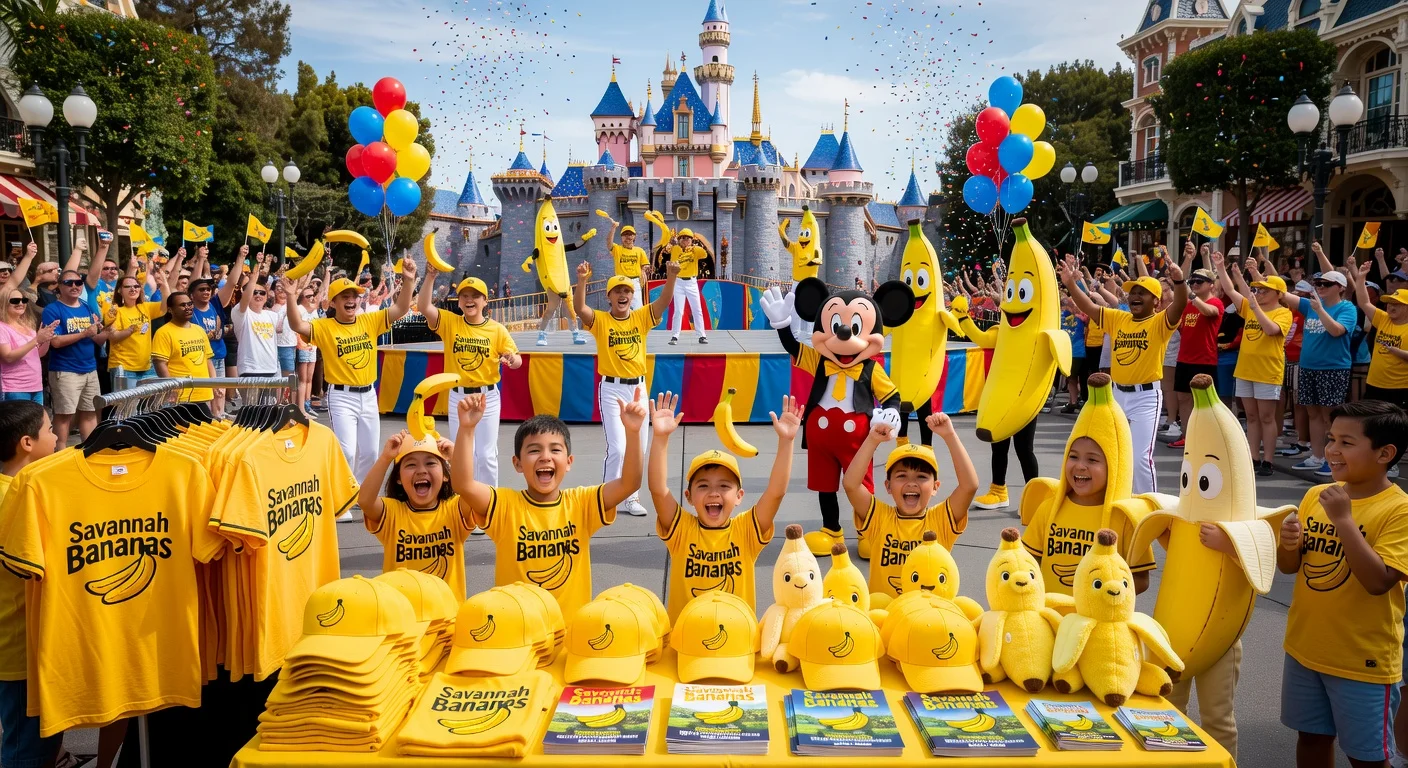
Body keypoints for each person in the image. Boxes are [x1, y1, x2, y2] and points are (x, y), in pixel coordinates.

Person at [1278, 400, 1408, 768]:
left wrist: (1344, 521)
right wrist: (1289, 543)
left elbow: (1379, 581)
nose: (1332, 450)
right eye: (1331, 439)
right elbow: (1290, 567)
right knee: (1312, 739)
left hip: (1361, 660)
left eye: (1347, 443)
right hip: (1306, 648)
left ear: (1385, 453)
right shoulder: (1315, 496)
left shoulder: (1398, 510)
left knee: (1366, 757)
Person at [451, 392, 647, 618]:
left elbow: (630, 482)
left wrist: (633, 433)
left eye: (555, 449)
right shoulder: (505, 505)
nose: (545, 457)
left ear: (569, 462)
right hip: (517, 628)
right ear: (517, 463)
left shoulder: (581, 503)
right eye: (534, 450)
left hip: (570, 631)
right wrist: (466, 429)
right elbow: (463, 484)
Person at [647, 392, 798, 619]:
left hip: (737, 639)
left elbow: (776, 493)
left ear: (739, 496)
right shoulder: (681, 531)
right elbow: (658, 490)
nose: (714, 492)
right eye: (703, 486)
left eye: (724, 486)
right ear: (688, 496)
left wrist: (787, 442)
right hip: (687, 641)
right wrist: (660, 437)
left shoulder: (746, 530)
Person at [283, 261, 416, 515]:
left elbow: (399, 309)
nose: (351, 300)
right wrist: (291, 295)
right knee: (345, 448)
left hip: (368, 394)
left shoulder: (369, 321)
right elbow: (297, 326)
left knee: (369, 451)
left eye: (354, 295)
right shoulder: (324, 327)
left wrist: (408, 280)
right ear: (333, 302)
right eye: (345, 296)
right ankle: (341, 500)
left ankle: (362, 497)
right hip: (341, 396)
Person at [1058, 250, 1190, 494]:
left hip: (1146, 397)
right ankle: (1119, 500)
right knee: (1114, 452)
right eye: (1133, 292)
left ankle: (1148, 508)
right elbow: (1087, 305)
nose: (1135, 296)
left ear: (1156, 302)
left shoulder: (1160, 322)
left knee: (1140, 458)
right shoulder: (1119, 318)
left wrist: (1180, 281)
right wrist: (1071, 284)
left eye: (1142, 293)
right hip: (1117, 395)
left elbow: (1180, 304)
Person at [1021, 373, 1155, 597]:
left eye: (1092, 460)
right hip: (1051, 621)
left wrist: (1105, 593)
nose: (1080, 466)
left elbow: (1141, 579)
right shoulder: (1049, 508)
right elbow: (1028, 562)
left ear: (1115, 466)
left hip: (1098, 624)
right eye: (1073, 456)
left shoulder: (1125, 520)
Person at [574, 259, 680, 516]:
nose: (623, 295)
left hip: (637, 390)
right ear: (609, 296)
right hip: (611, 390)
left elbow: (664, 302)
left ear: (633, 296)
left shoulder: (641, 317)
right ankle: (607, 498)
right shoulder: (600, 320)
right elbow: (579, 308)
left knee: (637, 448)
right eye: (617, 291)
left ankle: (631, 498)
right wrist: (582, 280)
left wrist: (672, 277)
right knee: (618, 448)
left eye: (627, 291)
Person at [844, 410, 977, 602]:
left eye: (922, 477)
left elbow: (969, 486)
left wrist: (950, 435)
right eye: (902, 476)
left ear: (935, 487)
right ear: (888, 486)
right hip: (885, 619)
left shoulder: (941, 520)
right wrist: (872, 440)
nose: (912, 483)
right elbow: (851, 485)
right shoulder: (879, 518)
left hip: (928, 619)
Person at [417, 268, 521, 486]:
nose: (469, 300)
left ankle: (488, 502)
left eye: (475, 296)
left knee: (486, 455)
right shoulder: (450, 323)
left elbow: (517, 359)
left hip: (487, 398)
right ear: (459, 301)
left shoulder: (497, 330)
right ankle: (463, 502)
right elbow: (424, 307)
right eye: (465, 295)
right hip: (459, 397)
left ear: (485, 301)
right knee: (462, 452)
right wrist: (430, 277)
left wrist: (511, 359)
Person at [0, 400, 60, 768]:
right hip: (23, 646)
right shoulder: (22, 496)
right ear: (27, 443)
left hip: (12, 643)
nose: (56, 437)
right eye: (51, 429)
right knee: (27, 749)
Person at [359, 431, 472, 598]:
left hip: (447, 616)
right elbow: (365, 501)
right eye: (411, 465)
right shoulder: (393, 513)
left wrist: (455, 457)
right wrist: (385, 458)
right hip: (402, 616)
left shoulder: (455, 509)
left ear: (446, 476)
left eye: (430, 463)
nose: (421, 471)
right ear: (398, 478)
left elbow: (469, 489)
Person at [1215, 252, 1293, 476]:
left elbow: (1271, 330)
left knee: (1267, 416)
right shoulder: (1251, 306)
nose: (1258, 293)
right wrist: (1223, 268)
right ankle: (1253, 457)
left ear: (1278, 294)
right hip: (1245, 369)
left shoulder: (1283, 312)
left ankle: (1268, 460)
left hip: (1267, 371)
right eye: (1257, 289)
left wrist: (1255, 306)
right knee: (1250, 416)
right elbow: (1231, 290)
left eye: (1264, 290)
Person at [1285, 243, 1358, 478]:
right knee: (1313, 414)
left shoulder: (1347, 308)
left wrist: (1320, 309)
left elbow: (1337, 331)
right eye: (1318, 284)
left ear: (1340, 287)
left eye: (1325, 284)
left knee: (1330, 416)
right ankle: (1317, 456)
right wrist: (1258, 274)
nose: (1320, 287)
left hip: (1332, 368)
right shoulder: (1311, 305)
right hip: (1308, 367)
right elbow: (1282, 294)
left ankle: (1333, 459)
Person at [41, 269, 109, 442]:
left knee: (89, 412)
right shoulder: (52, 309)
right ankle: (60, 453)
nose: (74, 286)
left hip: (90, 368)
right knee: (65, 415)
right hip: (65, 370)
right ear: (59, 286)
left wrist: (108, 329)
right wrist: (84, 333)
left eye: (78, 283)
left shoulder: (86, 306)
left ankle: (89, 449)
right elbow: (55, 342)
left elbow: (95, 338)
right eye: (68, 283)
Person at [1170, 263, 1224, 448]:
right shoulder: (1188, 305)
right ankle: (1188, 436)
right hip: (1184, 358)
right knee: (1183, 399)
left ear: (1211, 285)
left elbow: (1210, 312)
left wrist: (1193, 298)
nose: (1194, 284)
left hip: (1204, 360)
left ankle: (1207, 438)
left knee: (1205, 401)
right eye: (1192, 281)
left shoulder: (1215, 302)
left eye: (1199, 281)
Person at [151, 291, 217, 404]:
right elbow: (160, 363)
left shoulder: (199, 330)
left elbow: (208, 360)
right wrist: (171, 389)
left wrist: (215, 384)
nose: (188, 307)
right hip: (180, 396)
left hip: (204, 393)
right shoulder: (163, 332)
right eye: (182, 305)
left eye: (190, 304)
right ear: (170, 310)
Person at [104, 272, 169, 386]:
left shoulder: (145, 307)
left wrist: (164, 284)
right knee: (127, 404)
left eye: (136, 286)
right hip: (123, 368)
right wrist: (129, 331)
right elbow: (113, 337)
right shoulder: (114, 310)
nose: (133, 289)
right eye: (128, 286)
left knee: (149, 403)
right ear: (120, 290)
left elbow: (167, 305)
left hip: (147, 367)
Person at [231, 253, 282, 379]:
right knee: (250, 401)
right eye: (254, 292)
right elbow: (245, 299)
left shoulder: (271, 315)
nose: (258, 295)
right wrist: (255, 274)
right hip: (250, 370)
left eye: (262, 293)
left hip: (271, 369)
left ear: (266, 297)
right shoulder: (241, 313)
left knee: (272, 400)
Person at [0, 287, 54, 403]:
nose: (21, 304)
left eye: (23, 300)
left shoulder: (27, 326)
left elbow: (38, 354)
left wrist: (47, 337)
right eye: (15, 301)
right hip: (14, 388)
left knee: (37, 421)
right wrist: (36, 340)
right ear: (3, 304)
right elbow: (8, 357)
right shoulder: (2, 327)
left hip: (36, 386)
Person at [668, 228, 709, 345]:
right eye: (683, 238)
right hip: (679, 282)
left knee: (697, 309)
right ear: (679, 239)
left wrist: (694, 248)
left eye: (688, 238)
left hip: (691, 282)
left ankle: (701, 335)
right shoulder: (676, 249)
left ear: (691, 240)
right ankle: (675, 335)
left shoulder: (695, 250)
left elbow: (705, 254)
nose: (685, 240)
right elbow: (674, 263)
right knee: (679, 310)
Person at [602, 215, 648, 310]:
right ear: (622, 237)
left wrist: (643, 270)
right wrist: (613, 228)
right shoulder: (617, 249)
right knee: (619, 307)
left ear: (634, 236)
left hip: (635, 282)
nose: (628, 237)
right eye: (625, 234)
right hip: (621, 281)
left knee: (637, 308)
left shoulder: (640, 251)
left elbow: (645, 264)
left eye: (630, 234)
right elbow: (608, 243)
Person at [294, 284, 320, 415]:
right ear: (302, 298)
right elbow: (297, 330)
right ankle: (301, 408)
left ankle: (307, 404)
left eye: (312, 295)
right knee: (303, 379)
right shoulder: (299, 309)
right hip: (303, 347)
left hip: (313, 347)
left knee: (310, 378)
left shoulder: (314, 310)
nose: (311, 298)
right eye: (308, 296)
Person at [271, 279, 299, 378]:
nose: (281, 292)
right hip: (272, 346)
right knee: (276, 377)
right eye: (278, 288)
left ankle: (287, 394)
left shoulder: (292, 306)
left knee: (289, 377)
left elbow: (299, 288)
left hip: (288, 345)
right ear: (273, 291)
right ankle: (277, 394)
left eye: (283, 288)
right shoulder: (269, 307)